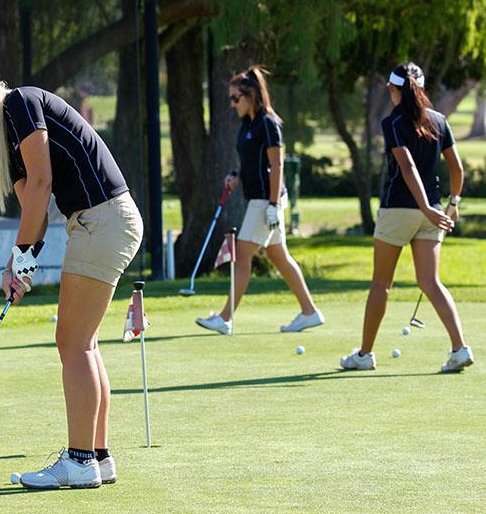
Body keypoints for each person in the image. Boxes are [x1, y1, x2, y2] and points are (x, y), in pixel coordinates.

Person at [0, 69, 143, 489]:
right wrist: (18, 265)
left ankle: (79, 461)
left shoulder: (19, 104)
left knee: (72, 343)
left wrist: (23, 258)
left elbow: (42, 184)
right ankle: (97, 457)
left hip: (103, 220)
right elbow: (33, 206)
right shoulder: (6, 137)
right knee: (84, 344)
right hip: (100, 222)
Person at [341, 62, 473, 372]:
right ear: (422, 88)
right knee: (430, 282)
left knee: (381, 284)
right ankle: (459, 348)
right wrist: (451, 203)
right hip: (433, 213)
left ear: (392, 89)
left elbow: (407, 167)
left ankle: (364, 355)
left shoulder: (393, 122)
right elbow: (457, 168)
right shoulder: (441, 121)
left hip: (400, 209)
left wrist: (427, 207)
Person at [195, 66, 324, 335]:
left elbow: (276, 165)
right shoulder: (248, 124)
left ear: (250, 94)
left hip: (266, 200)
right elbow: (250, 161)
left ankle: (225, 318)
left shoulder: (268, 123)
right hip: (260, 199)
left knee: (242, 256)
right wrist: (236, 175)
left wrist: (274, 206)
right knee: (279, 257)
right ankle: (309, 312)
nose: (232, 104)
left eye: (235, 98)